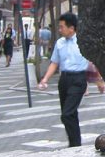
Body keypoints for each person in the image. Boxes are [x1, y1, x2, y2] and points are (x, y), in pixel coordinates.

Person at [37, 13, 88, 147]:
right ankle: (75, 142)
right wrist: (45, 79)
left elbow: (92, 61)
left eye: (62, 27)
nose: (60, 30)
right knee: (70, 113)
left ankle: (74, 144)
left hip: (78, 79)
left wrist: (98, 80)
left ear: (71, 28)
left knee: (67, 114)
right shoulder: (59, 43)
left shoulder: (82, 42)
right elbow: (54, 63)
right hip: (64, 79)